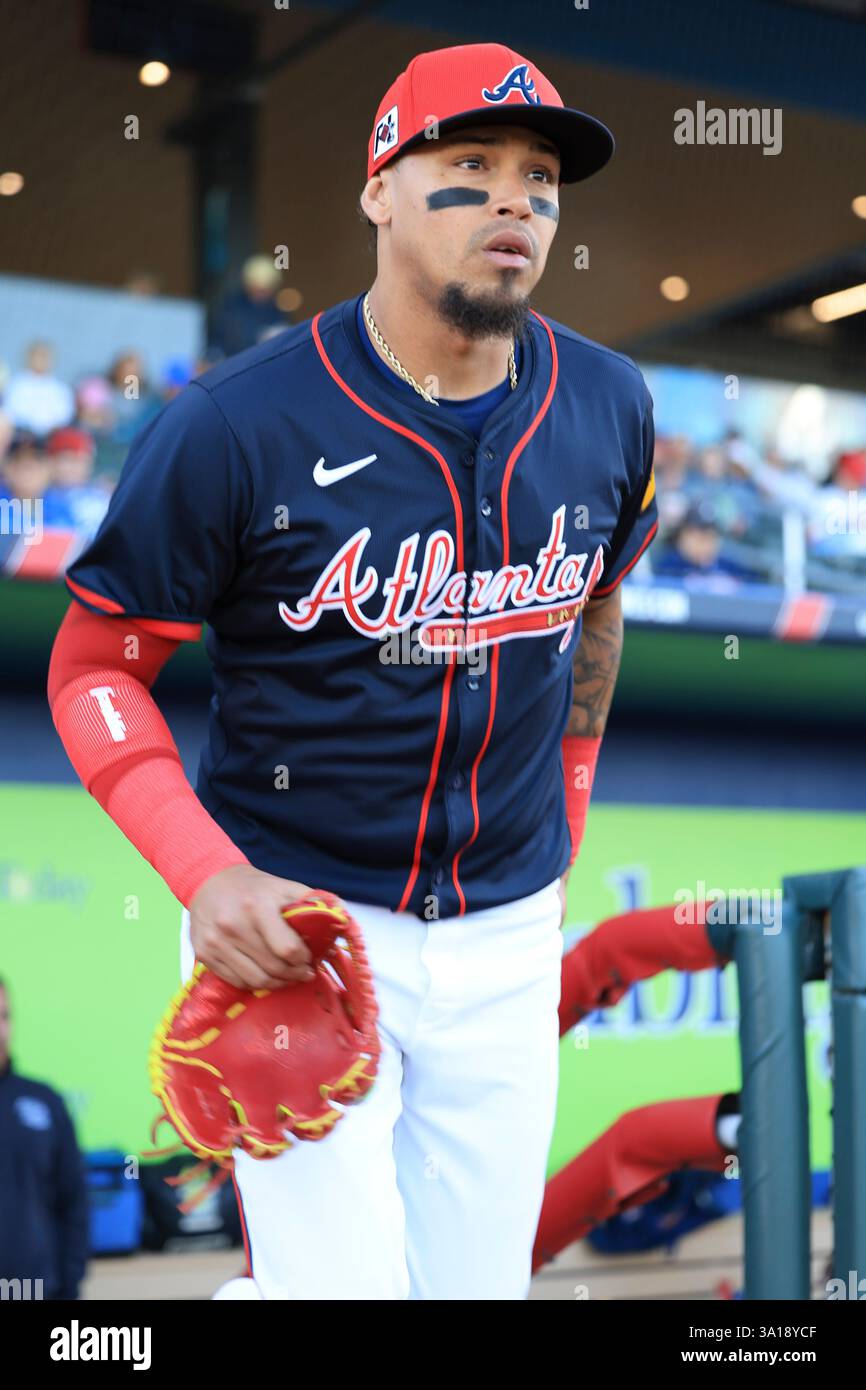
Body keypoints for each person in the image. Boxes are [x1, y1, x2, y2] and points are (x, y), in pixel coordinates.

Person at [47, 41, 658, 1301]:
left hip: (507, 926)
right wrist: (204, 874)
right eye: (469, 164)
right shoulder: (233, 423)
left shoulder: (609, 404)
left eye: (540, 177)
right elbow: (93, 665)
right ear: (379, 186)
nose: (514, 200)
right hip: (301, 927)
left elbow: (596, 604)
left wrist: (571, 804)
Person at [0, 978, 89, 1301]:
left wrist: (70, 1281)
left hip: (37, 1291)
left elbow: (73, 1201)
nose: (1, 1029)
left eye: (5, 1016)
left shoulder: (44, 1102)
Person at [210, 254, 290, 357]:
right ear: (248, 285)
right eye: (258, 289)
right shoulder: (231, 308)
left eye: (266, 290)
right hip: (233, 362)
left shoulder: (277, 312)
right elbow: (217, 342)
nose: (261, 295)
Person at [3, 342, 75, 437]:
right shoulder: (15, 386)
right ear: (28, 358)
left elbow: (65, 415)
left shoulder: (61, 389)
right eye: (37, 356)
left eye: (44, 356)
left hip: (53, 435)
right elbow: (12, 413)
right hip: (22, 435)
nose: (41, 360)